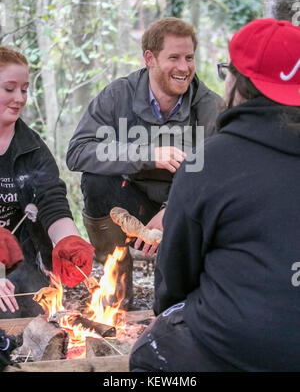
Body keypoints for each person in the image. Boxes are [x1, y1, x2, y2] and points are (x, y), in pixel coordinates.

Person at [129, 18, 300, 372]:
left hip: (240, 344)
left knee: (149, 350)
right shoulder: (121, 94)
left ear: (238, 83)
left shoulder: (209, 161)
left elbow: (174, 281)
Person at [66, 17, 224, 307]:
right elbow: (78, 152)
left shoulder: (210, 107)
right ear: (149, 58)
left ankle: (175, 295)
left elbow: (220, 178)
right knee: (97, 179)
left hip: (182, 207)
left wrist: (172, 210)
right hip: (130, 200)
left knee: (168, 302)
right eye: (174, 57)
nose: (184, 67)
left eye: (189, 58)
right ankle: (116, 281)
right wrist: (147, 154)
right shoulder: (118, 95)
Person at [0, 46, 94, 319]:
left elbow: (51, 200)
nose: (20, 98)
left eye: (25, 89)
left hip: (19, 258)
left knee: (34, 315)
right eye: (9, 89)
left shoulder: (32, 147)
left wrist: (68, 240)